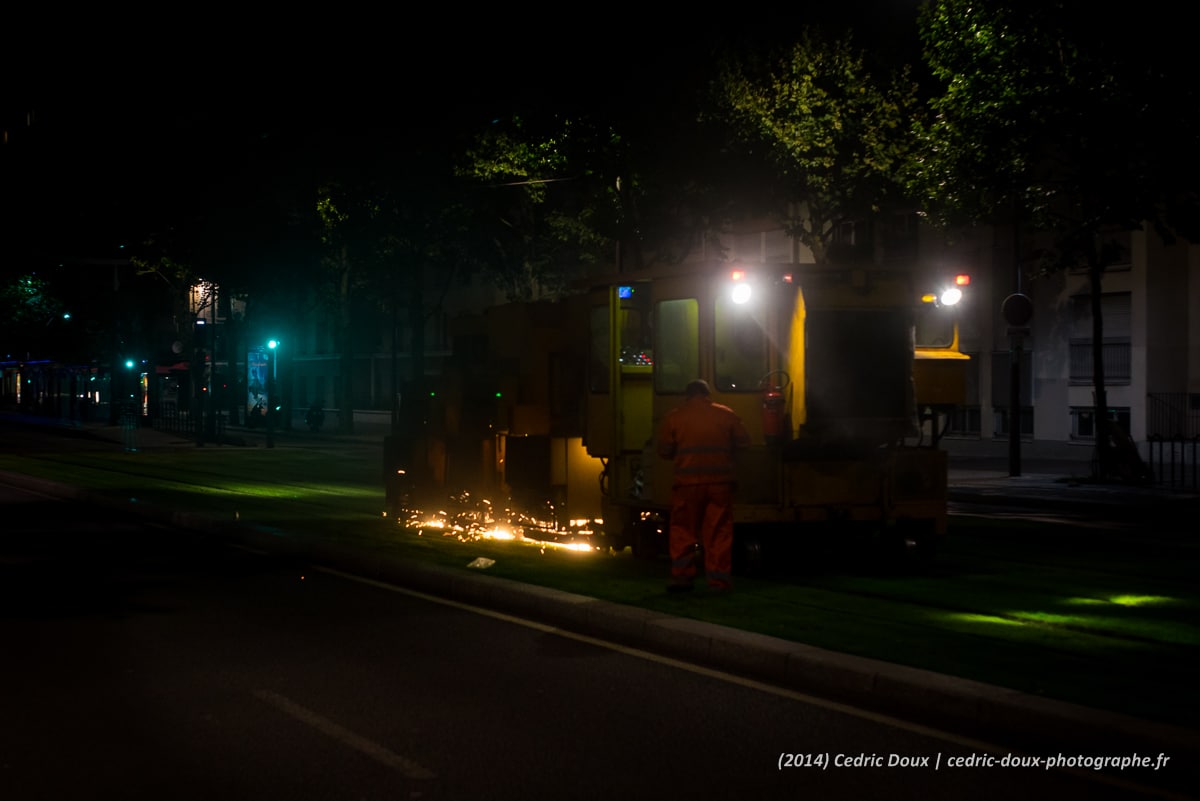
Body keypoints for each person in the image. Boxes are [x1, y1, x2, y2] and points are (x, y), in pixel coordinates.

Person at [656, 379, 751, 593]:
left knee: (682, 530)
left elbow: (663, 451)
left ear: (687, 395)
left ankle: (682, 578)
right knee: (718, 533)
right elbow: (745, 442)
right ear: (708, 394)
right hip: (719, 485)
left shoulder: (674, 417)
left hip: (686, 487)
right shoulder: (726, 414)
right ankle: (718, 581)